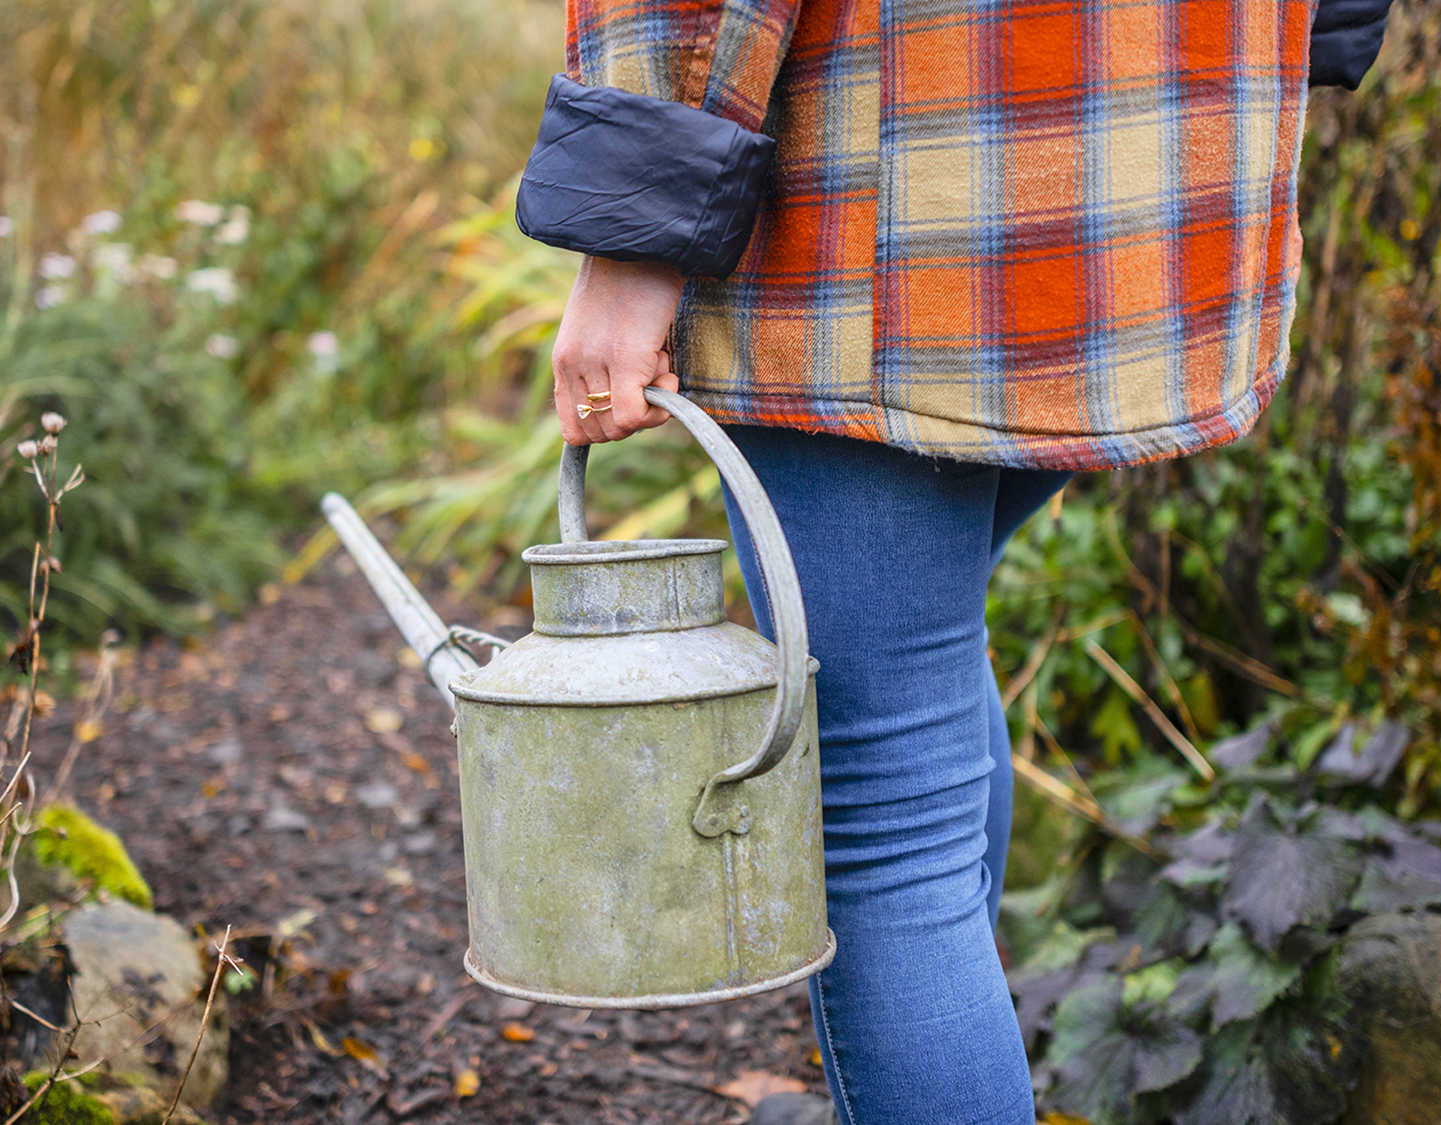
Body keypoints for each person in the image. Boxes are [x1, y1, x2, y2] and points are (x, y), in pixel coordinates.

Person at [516, 1, 1391, 1120]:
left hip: (897, 187)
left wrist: (635, 227)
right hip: (1156, 138)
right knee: (916, 690)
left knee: (885, 825)